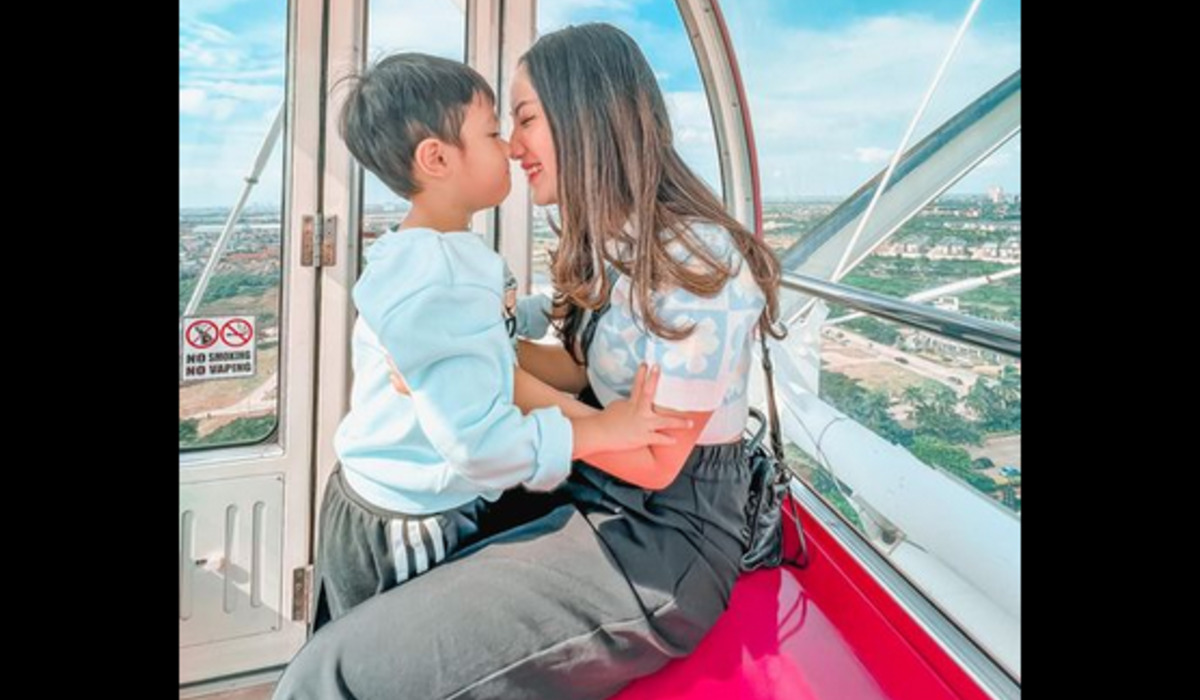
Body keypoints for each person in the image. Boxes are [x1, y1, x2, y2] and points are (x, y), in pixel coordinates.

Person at [273, 23, 784, 699]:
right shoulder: (612, 241)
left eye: (524, 120)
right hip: (596, 486)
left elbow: (655, 458)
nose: (513, 148)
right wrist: (468, 360)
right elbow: (579, 373)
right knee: (361, 629)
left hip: (657, 538)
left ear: (584, 117)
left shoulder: (697, 262)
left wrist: (491, 375)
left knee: (332, 676)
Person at [315, 52, 690, 629]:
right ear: (436, 158)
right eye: (493, 132)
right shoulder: (438, 278)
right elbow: (481, 445)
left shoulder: (433, 253)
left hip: (379, 499)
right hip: (409, 520)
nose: (511, 147)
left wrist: (550, 309)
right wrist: (601, 430)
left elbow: (485, 328)